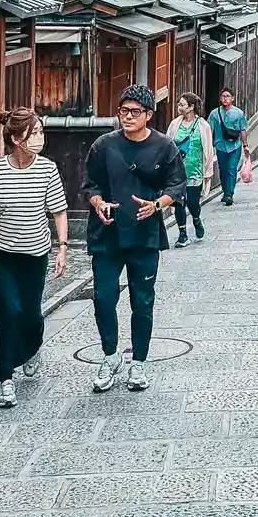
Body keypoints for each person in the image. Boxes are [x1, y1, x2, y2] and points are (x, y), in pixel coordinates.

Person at [83, 84, 187, 393]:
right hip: (107, 233)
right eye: (123, 111)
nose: (127, 117)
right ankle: (110, 356)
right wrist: (98, 203)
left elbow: (177, 186)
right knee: (103, 298)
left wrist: (156, 205)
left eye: (135, 112)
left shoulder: (164, 146)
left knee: (142, 301)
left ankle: (138, 362)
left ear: (149, 115)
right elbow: (90, 185)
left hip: (144, 234)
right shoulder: (104, 145)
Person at [0, 108, 69, 409]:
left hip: (35, 252)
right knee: (8, 312)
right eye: (34, 132)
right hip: (2, 253)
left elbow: (58, 211)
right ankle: (5, 380)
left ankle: (33, 346)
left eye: (41, 131)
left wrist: (62, 246)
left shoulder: (47, 169)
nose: (40, 137)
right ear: (16, 138)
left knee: (30, 312)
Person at [169, 91, 215, 246]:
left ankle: (196, 219)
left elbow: (208, 150)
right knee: (178, 202)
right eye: (179, 104)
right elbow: (167, 146)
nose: (179, 107)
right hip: (177, 172)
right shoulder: (175, 124)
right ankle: (182, 234)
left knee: (193, 203)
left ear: (191, 107)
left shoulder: (203, 126)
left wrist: (208, 170)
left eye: (182, 104)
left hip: (195, 171)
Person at [209, 87, 249, 205]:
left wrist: (245, 145)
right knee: (223, 169)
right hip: (220, 145)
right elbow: (209, 129)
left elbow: (243, 129)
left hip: (235, 145)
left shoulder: (239, 113)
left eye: (227, 96)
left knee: (231, 169)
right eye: (223, 96)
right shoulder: (214, 113)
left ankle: (229, 194)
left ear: (232, 98)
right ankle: (225, 190)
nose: (225, 99)